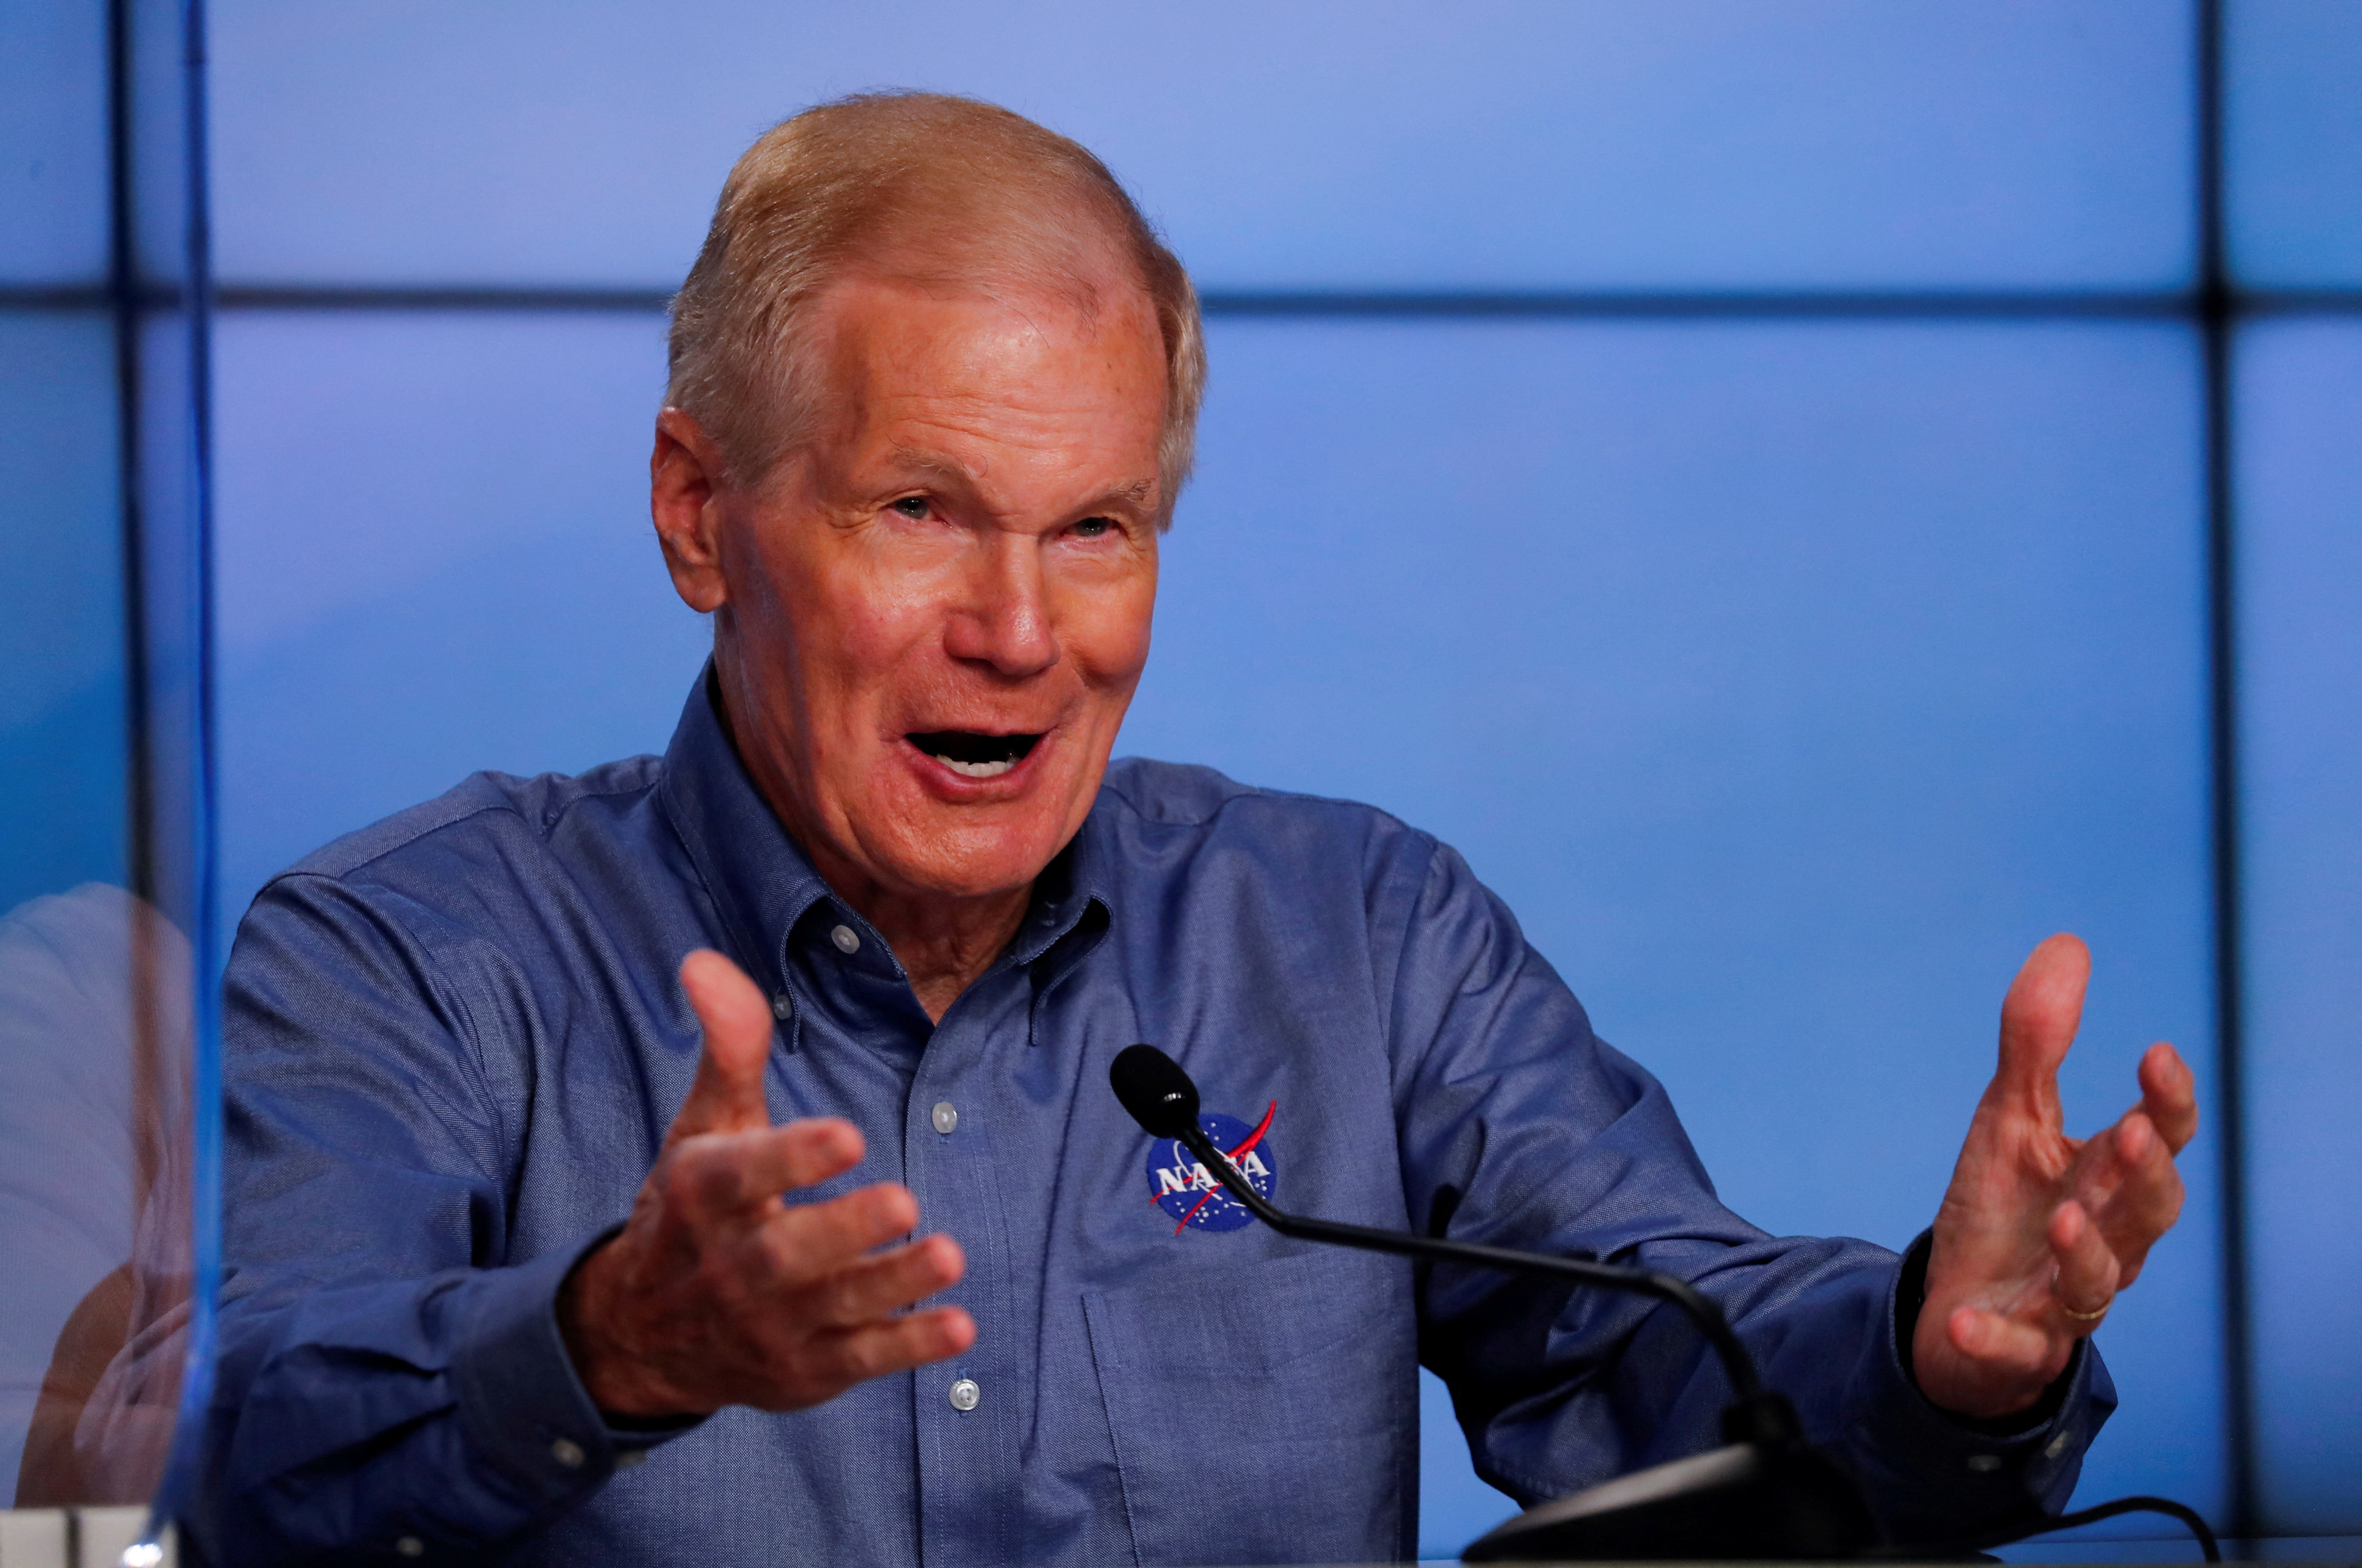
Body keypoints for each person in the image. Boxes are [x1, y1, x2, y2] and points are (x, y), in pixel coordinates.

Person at [193, 93, 2198, 1567]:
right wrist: (613, 1341)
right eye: (921, 510)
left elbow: (1677, 1345)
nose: (1018, 630)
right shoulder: (409, 949)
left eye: (1096, 530)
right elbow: (251, 1477)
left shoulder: (1358, 934)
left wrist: (1951, 1355)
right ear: (702, 513)